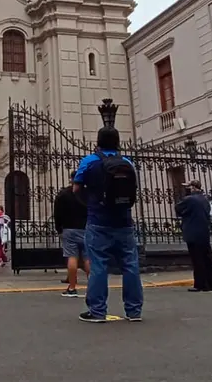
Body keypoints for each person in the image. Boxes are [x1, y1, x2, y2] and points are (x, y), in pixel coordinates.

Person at [73, 126, 143, 323]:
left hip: (98, 221)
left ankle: (97, 311)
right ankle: (134, 311)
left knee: (98, 265)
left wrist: (89, 202)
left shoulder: (89, 161)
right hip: (124, 221)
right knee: (130, 265)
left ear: (98, 142)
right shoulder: (127, 162)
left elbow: (76, 188)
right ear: (118, 142)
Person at [175, 180, 212, 292]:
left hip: (193, 232)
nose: (187, 189)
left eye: (188, 187)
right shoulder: (205, 199)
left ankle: (200, 284)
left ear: (193, 188)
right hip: (204, 232)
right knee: (207, 259)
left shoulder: (190, 199)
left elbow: (178, 209)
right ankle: (211, 284)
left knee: (197, 259)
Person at [54, 170, 90, 298]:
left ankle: (72, 287)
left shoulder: (64, 194)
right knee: (87, 258)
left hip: (69, 229)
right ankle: (92, 287)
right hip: (86, 228)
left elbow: (57, 213)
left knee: (72, 257)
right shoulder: (88, 194)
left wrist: (59, 228)